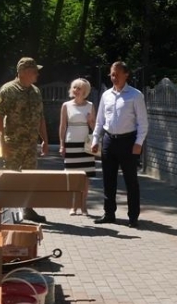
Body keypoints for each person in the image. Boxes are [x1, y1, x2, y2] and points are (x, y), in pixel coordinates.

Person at [92, 61, 149, 228]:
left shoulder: (135, 95)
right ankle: (109, 213)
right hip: (109, 140)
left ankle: (133, 217)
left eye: (117, 74)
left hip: (128, 141)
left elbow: (143, 122)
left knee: (131, 180)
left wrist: (139, 142)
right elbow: (100, 120)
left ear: (126, 74)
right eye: (112, 74)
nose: (114, 77)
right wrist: (96, 139)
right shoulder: (106, 95)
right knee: (108, 180)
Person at [0, 56, 49, 223]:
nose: (37, 75)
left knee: (29, 178)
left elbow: (40, 118)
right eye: (34, 72)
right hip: (12, 144)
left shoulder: (35, 91)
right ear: (24, 72)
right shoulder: (8, 90)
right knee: (10, 178)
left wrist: (44, 140)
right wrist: (1, 142)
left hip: (30, 144)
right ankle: (6, 212)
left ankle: (28, 210)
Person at [59, 78, 96, 216]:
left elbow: (95, 127)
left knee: (86, 177)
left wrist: (90, 121)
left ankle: (83, 205)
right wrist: (62, 145)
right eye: (74, 87)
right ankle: (73, 206)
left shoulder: (90, 105)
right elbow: (62, 126)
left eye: (79, 88)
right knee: (72, 176)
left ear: (85, 91)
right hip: (71, 143)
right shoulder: (66, 105)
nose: (76, 90)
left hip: (86, 143)